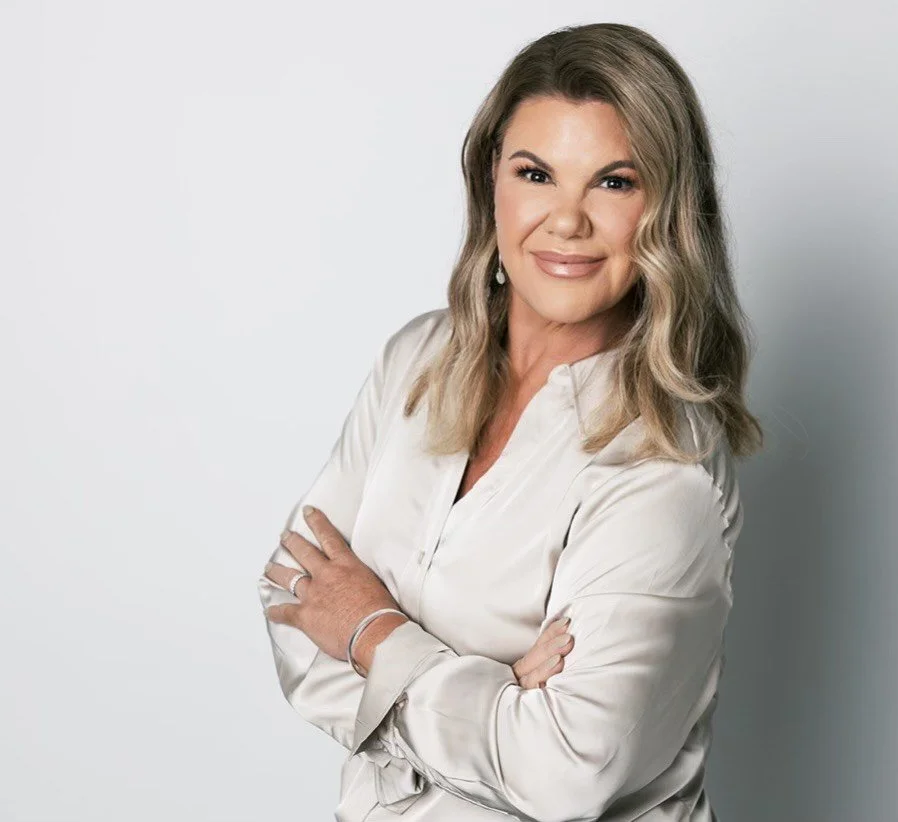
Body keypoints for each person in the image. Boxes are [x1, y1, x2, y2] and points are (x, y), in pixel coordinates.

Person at [257, 22, 763, 822]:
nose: (567, 220)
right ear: (491, 180)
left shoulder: (667, 461)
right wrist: (493, 696)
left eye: (614, 182)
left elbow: (562, 775)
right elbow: (289, 601)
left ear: (667, 211)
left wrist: (370, 632)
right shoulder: (416, 361)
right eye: (536, 173)